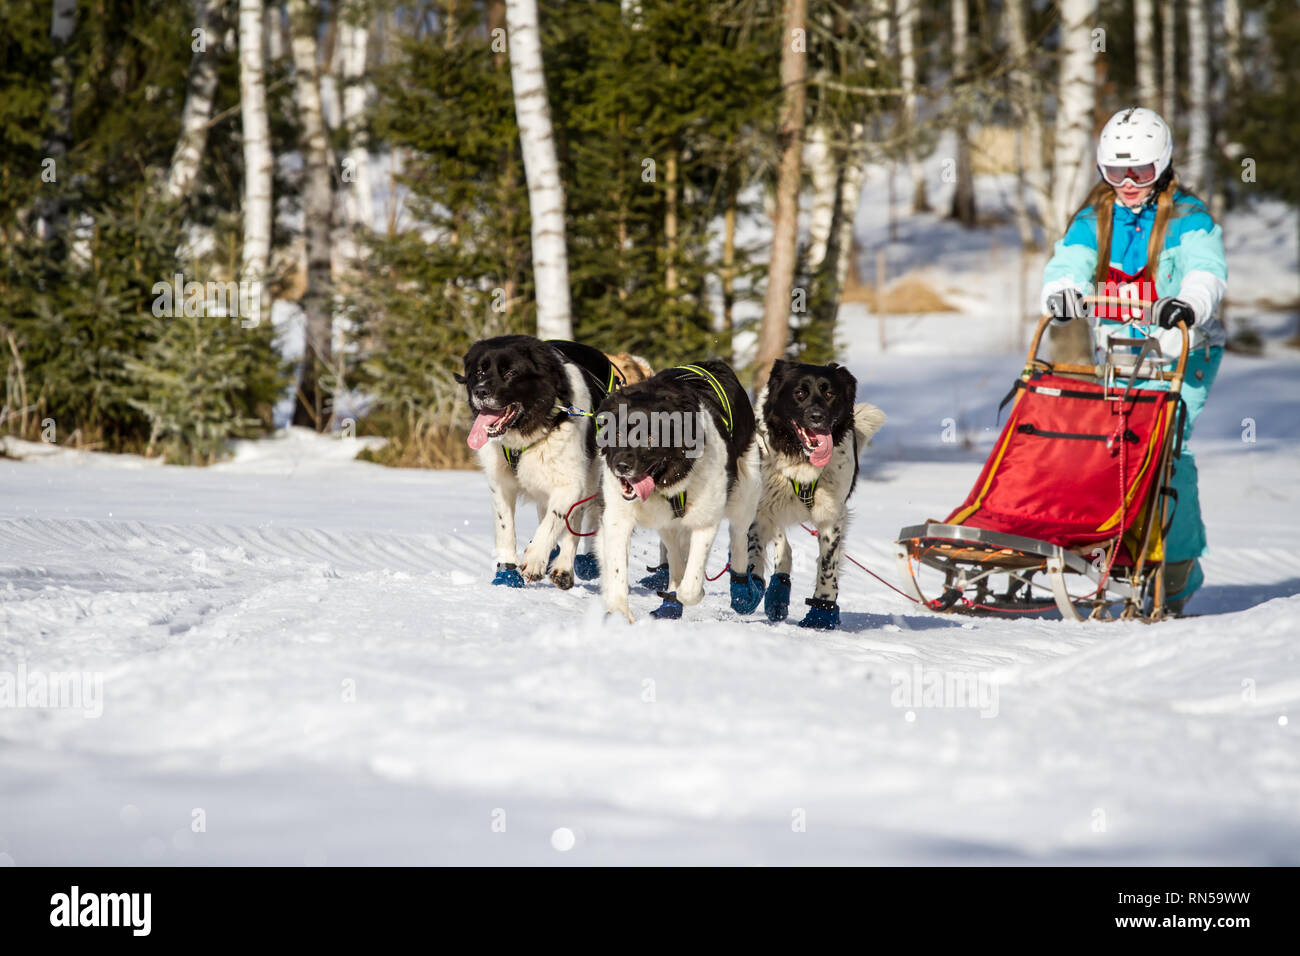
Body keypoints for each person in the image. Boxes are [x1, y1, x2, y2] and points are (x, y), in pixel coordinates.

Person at [1041, 106, 1227, 615]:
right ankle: (1121, 554)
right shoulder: (1095, 215)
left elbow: (1205, 269)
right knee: (1117, 450)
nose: (1127, 182)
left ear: (1161, 165)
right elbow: (1069, 261)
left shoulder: (1188, 216)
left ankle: (1179, 566)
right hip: (1122, 352)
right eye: (1115, 171)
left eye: (1140, 172)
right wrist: (1062, 291)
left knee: (1167, 448)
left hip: (1185, 353)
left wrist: (1188, 302)